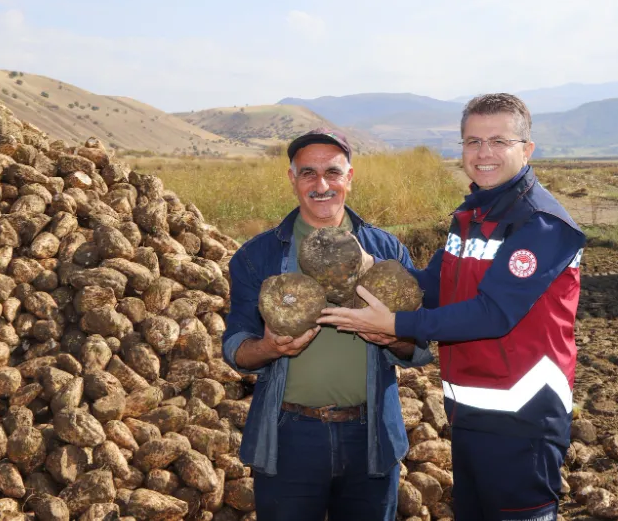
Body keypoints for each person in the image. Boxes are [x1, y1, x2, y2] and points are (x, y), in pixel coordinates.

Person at [319, 94, 586, 521]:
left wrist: (397, 323)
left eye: (498, 141)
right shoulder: (470, 215)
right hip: (468, 410)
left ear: (527, 149)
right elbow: (432, 287)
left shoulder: (541, 224)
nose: (483, 153)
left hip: (523, 417)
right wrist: (368, 269)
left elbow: (493, 313)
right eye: (472, 141)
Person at [221, 127, 434, 521]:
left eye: (333, 172)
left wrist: (393, 335)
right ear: (292, 179)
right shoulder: (258, 256)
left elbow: (419, 346)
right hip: (290, 437)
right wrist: (269, 348)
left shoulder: (387, 251)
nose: (322, 185)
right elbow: (235, 346)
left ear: (349, 178)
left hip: (370, 436)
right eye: (308, 173)